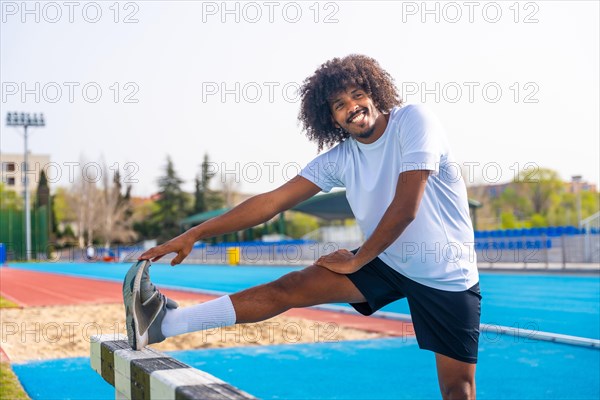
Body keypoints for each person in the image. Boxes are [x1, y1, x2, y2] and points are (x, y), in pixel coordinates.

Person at [126, 54, 481, 399]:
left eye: (358, 94)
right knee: (291, 286)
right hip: (388, 260)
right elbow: (271, 202)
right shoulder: (341, 158)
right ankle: (164, 325)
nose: (352, 106)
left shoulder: (414, 121)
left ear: (375, 93)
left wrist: (358, 260)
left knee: (456, 390)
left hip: (444, 271)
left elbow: (406, 208)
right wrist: (195, 234)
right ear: (331, 119)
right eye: (339, 104)